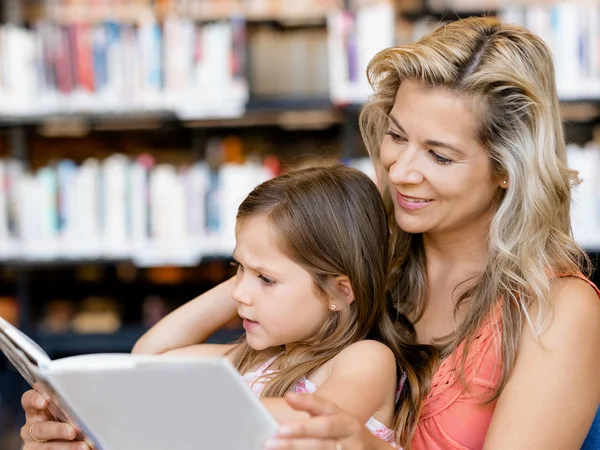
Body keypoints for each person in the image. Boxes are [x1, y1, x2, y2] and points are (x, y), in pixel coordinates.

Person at [21, 16, 600, 450]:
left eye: (440, 156)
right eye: (396, 136)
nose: (399, 171)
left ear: (507, 168)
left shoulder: (555, 308)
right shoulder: (363, 262)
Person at [20, 165, 435, 449]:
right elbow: (150, 356)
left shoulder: (365, 359)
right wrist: (249, 277)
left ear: (339, 292)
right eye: (237, 269)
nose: (240, 293)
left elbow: (316, 420)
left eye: (266, 279)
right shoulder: (258, 360)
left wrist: (163, 408)